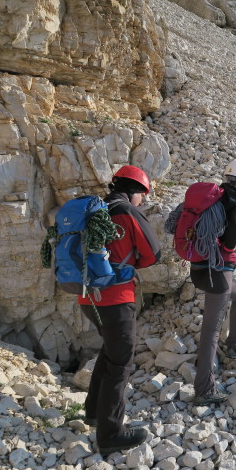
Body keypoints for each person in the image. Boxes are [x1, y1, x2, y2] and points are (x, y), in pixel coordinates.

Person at [78, 165, 161, 455]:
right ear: (136, 191)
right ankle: (111, 433)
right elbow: (153, 253)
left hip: (88, 297)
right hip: (115, 298)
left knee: (110, 352)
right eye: (143, 195)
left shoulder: (94, 209)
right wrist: (131, 264)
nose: (143, 201)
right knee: (121, 363)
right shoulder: (126, 210)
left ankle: (93, 413)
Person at [170, 159, 236, 405]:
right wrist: (228, 248)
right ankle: (205, 389)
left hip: (199, 269)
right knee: (210, 332)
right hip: (217, 273)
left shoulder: (211, 198)